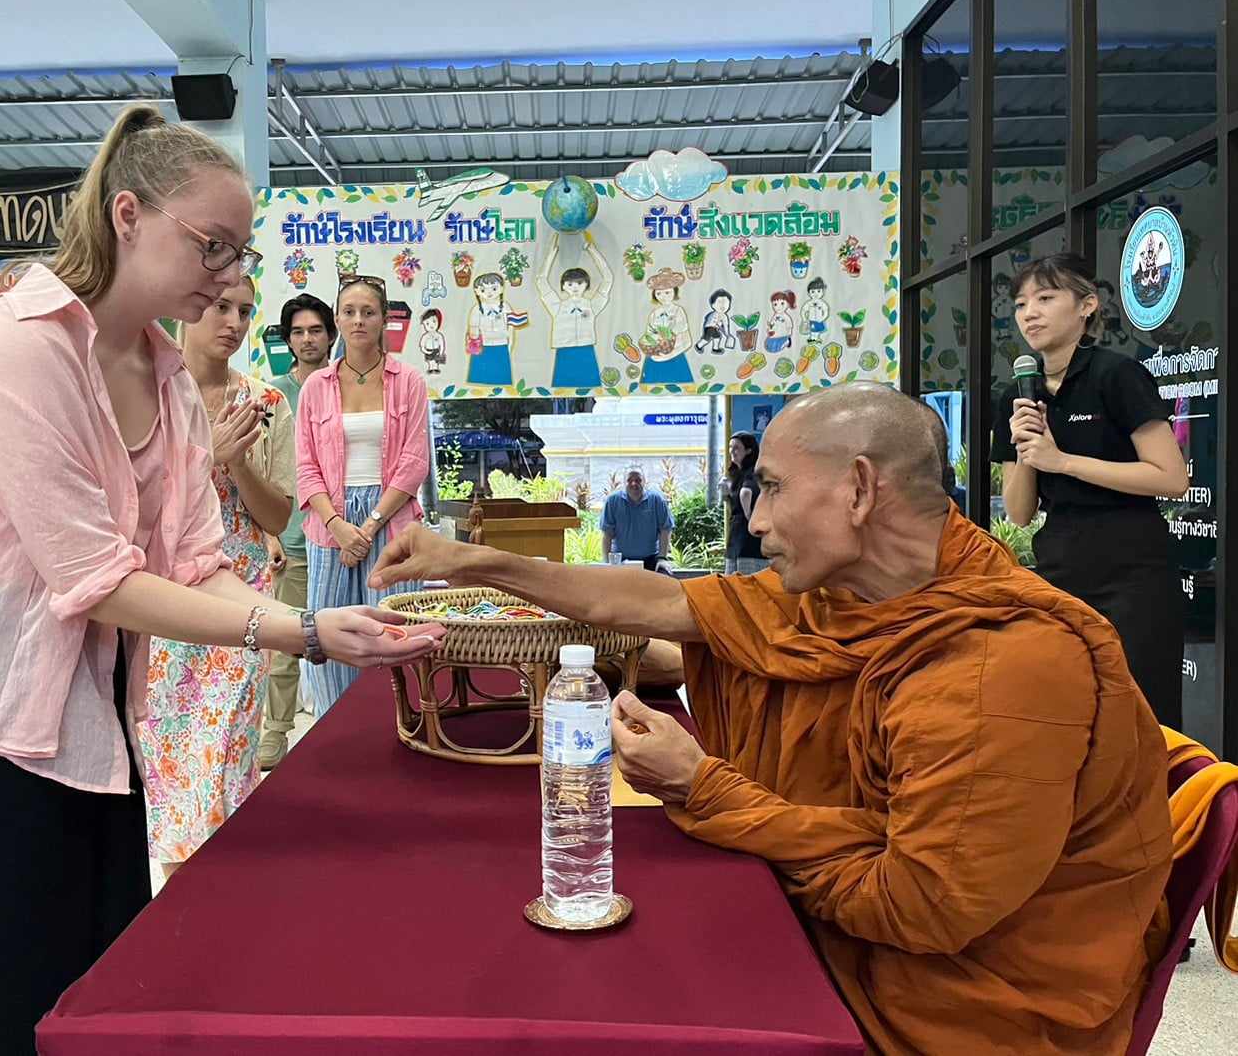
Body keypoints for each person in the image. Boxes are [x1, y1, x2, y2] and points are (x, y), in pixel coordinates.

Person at [0, 105, 442, 1056]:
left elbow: (196, 561)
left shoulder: (165, 374)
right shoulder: (18, 349)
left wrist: (323, 621)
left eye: (241, 255)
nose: (231, 279)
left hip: (91, 737)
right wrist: (300, 631)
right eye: (213, 247)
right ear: (127, 215)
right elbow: (97, 578)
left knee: (86, 1011)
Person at [369, 382, 1172, 1056]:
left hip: (961, 1006)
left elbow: (920, 905)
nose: (753, 520)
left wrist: (705, 788)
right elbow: (664, 601)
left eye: (774, 489)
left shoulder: (1003, 663)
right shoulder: (853, 593)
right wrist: (475, 560)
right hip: (883, 936)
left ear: (859, 489)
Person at [139, 274, 296, 877]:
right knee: (172, 746)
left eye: (245, 311)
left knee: (230, 738)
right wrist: (205, 458)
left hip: (245, 592)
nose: (231, 321)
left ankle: (221, 876)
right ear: (189, 305)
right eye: (220, 306)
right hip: (167, 591)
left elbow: (279, 513)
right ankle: (183, 880)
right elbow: (139, 507)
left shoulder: (267, 403)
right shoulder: (150, 393)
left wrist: (236, 463)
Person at [992, 253, 1188, 729]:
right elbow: (1018, 513)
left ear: (1087, 306)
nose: (1029, 313)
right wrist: (1027, 449)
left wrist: (1064, 462)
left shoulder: (1116, 376)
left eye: (1045, 298)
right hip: (1061, 571)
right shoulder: (1016, 395)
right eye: (1020, 304)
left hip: (1133, 571)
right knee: (1072, 713)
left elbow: (1171, 478)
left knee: (1141, 715)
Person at [297, 274, 431, 718]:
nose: (358, 320)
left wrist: (370, 525)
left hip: (391, 520)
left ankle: (397, 726)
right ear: (337, 320)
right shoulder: (315, 387)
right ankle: (332, 732)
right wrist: (338, 526)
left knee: (394, 633)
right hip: (329, 522)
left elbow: (414, 462)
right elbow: (306, 467)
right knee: (330, 637)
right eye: (349, 312)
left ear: (383, 320)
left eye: (368, 312)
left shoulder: (408, 380)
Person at [262, 292, 335, 768]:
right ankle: (276, 732)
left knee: (344, 639)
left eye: (315, 330)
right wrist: (270, 536)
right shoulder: (270, 393)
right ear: (287, 340)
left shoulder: (347, 389)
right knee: (286, 639)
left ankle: (341, 733)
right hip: (290, 539)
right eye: (297, 332)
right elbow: (261, 467)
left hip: (342, 539)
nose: (307, 340)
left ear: (331, 335)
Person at [536, 233, 612, 388]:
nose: (575, 287)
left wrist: (592, 250)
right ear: (563, 286)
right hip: (564, 352)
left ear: (586, 285)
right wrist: (551, 254)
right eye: (570, 284)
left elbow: (608, 278)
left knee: (591, 388)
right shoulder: (557, 306)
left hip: (586, 351)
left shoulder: (591, 305)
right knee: (562, 389)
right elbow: (541, 280)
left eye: (580, 283)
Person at [600, 468, 673, 571]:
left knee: (664, 577)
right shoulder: (612, 501)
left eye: (638, 480)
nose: (634, 483)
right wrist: (607, 563)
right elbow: (607, 534)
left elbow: (665, 530)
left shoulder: (657, 500)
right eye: (629, 480)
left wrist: (662, 558)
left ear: (644, 482)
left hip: (651, 559)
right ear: (624, 483)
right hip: (621, 560)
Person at [722, 432, 766, 575]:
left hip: (746, 538)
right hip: (739, 535)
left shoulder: (750, 473)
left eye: (736, 448)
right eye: (730, 447)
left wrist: (748, 514)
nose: (732, 452)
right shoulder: (739, 473)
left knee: (741, 581)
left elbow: (746, 493)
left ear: (749, 450)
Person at [639, 268, 693, 385]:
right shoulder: (654, 314)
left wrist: (670, 355)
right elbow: (650, 338)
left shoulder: (678, 311)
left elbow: (687, 341)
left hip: (675, 358)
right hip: (654, 358)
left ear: (674, 292)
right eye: (658, 293)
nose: (663, 296)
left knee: (680, 391)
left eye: (667, 292)